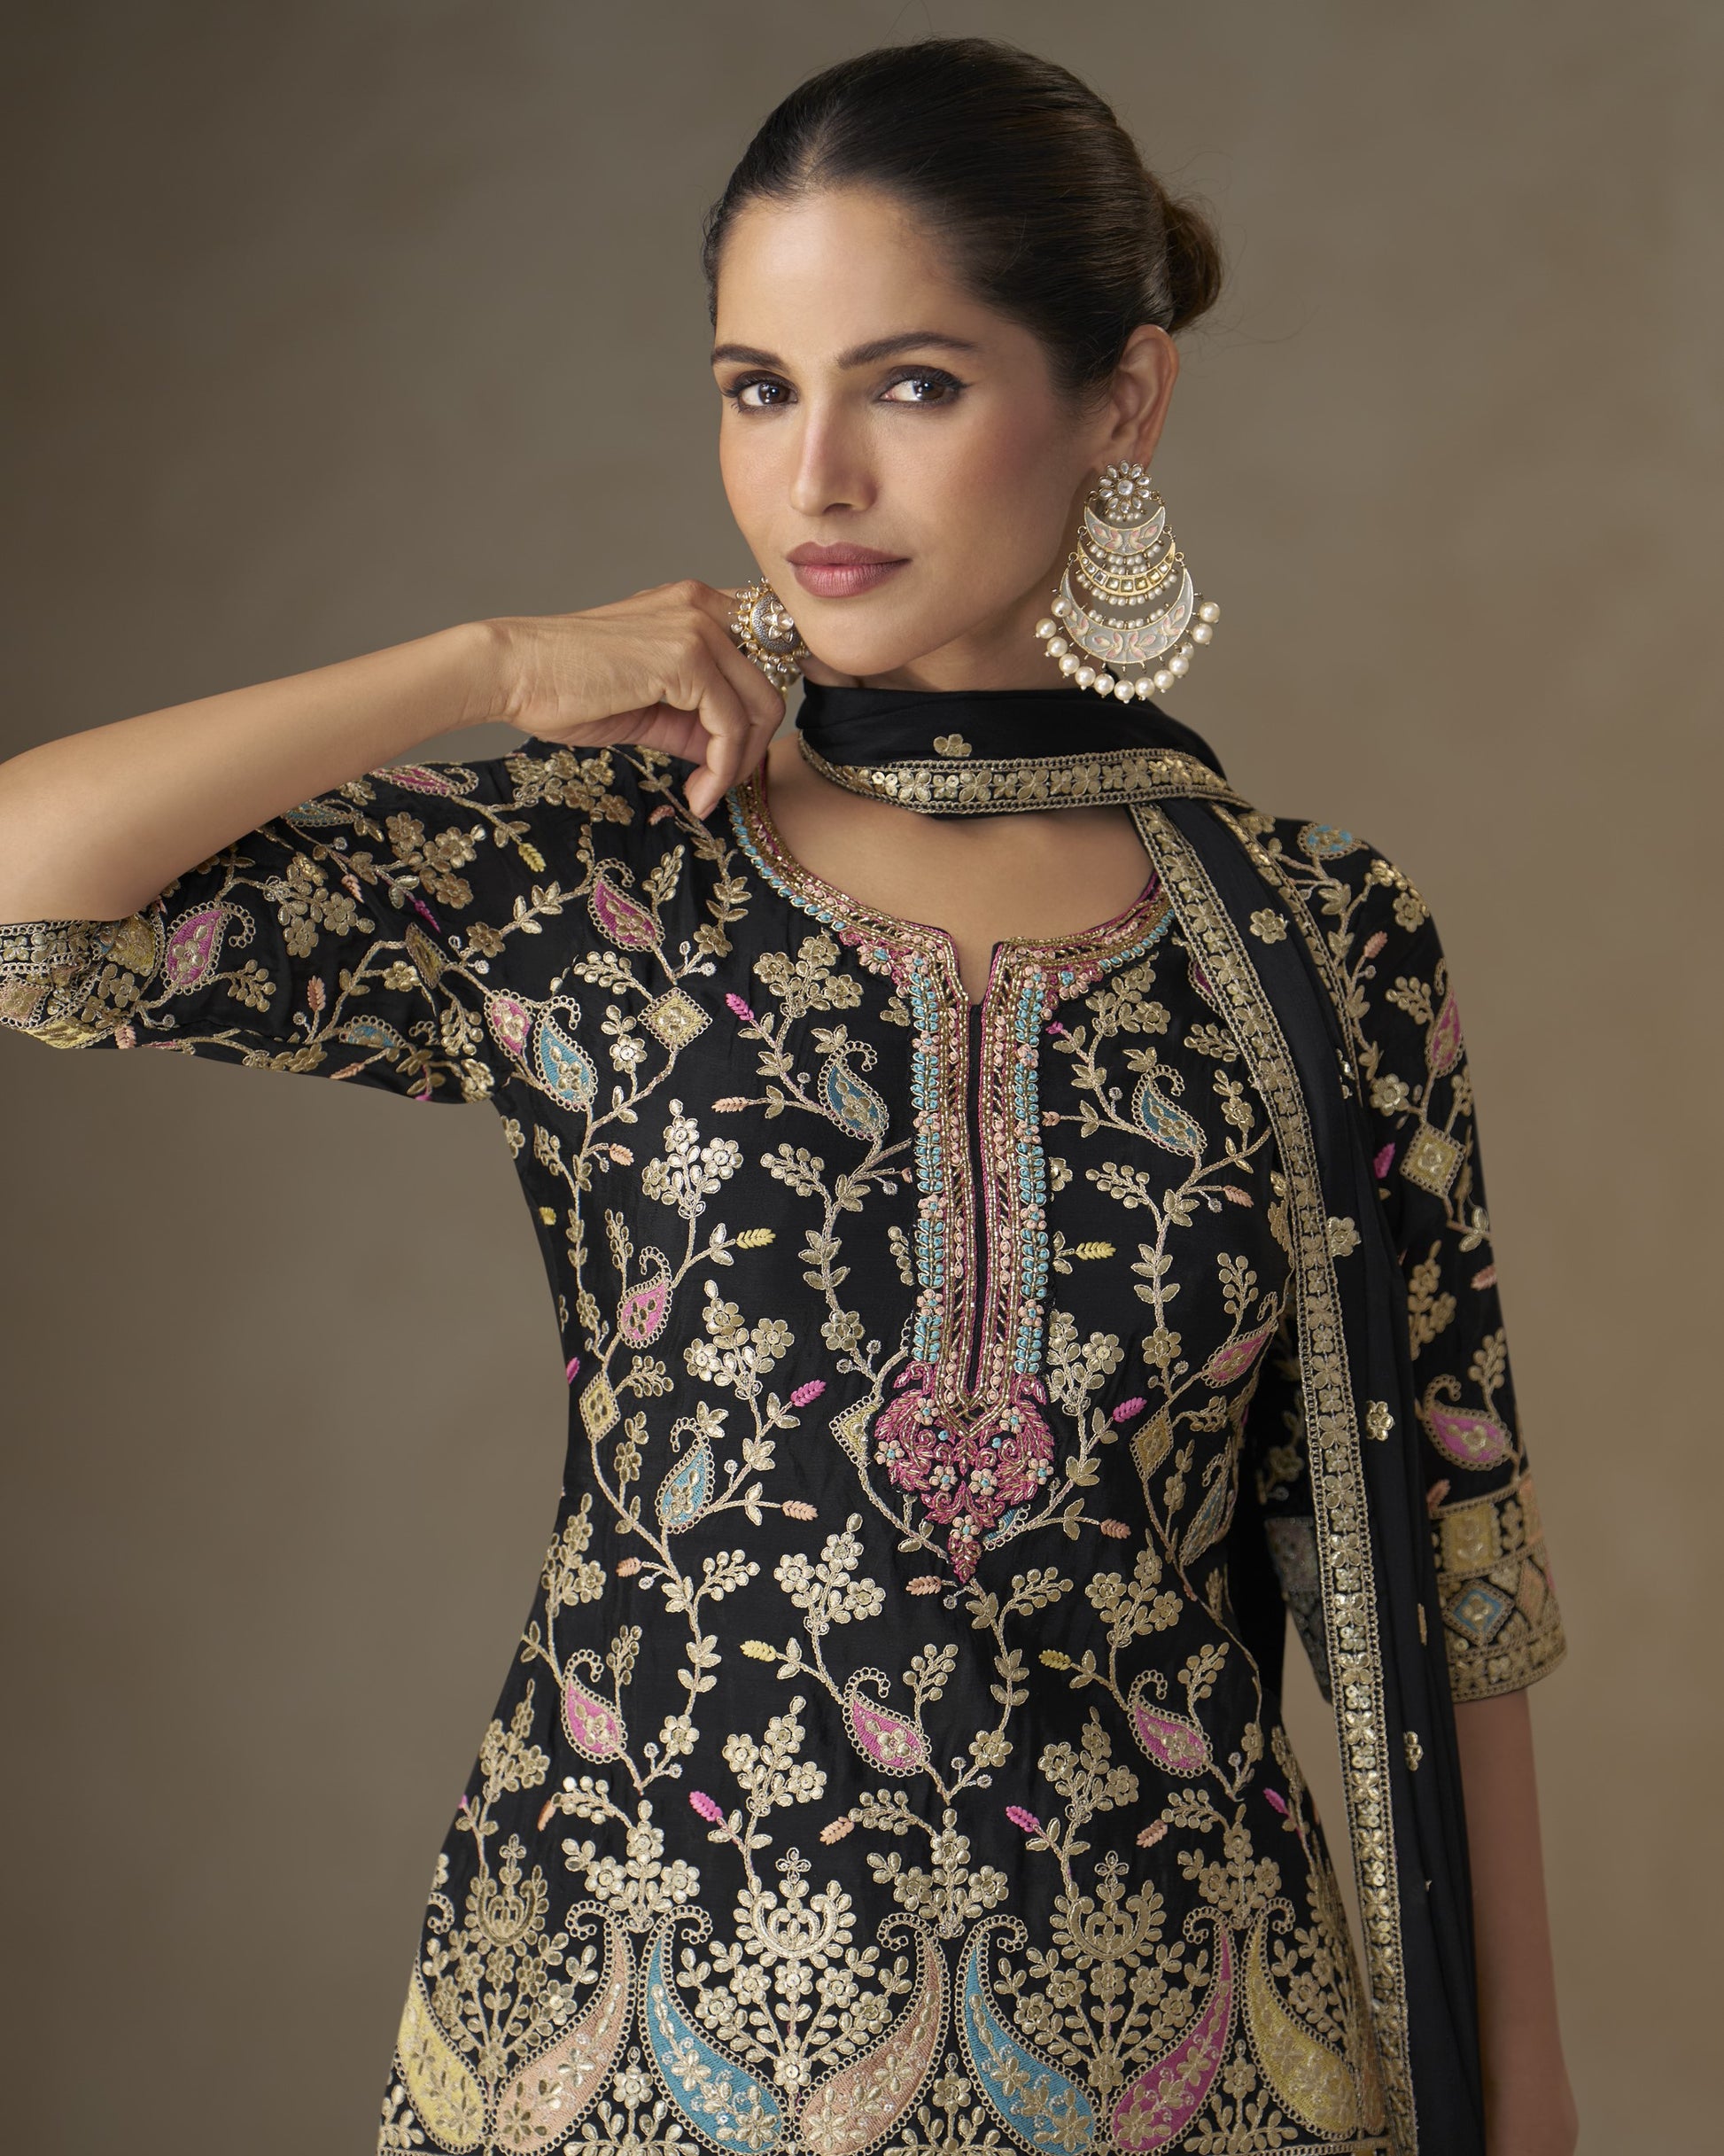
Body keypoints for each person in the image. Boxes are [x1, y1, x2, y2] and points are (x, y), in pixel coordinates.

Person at [0, 37, 1575, 2156]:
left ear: (1122, 400)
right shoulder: (610, 859)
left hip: (1182, 2065)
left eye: (909, 384)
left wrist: (1528, 2091)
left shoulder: (1317, 937)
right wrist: (480, 664)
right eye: (759, 386)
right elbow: (36, 906)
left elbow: (1447, 1554)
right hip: (631, 2043)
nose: (813, 478)